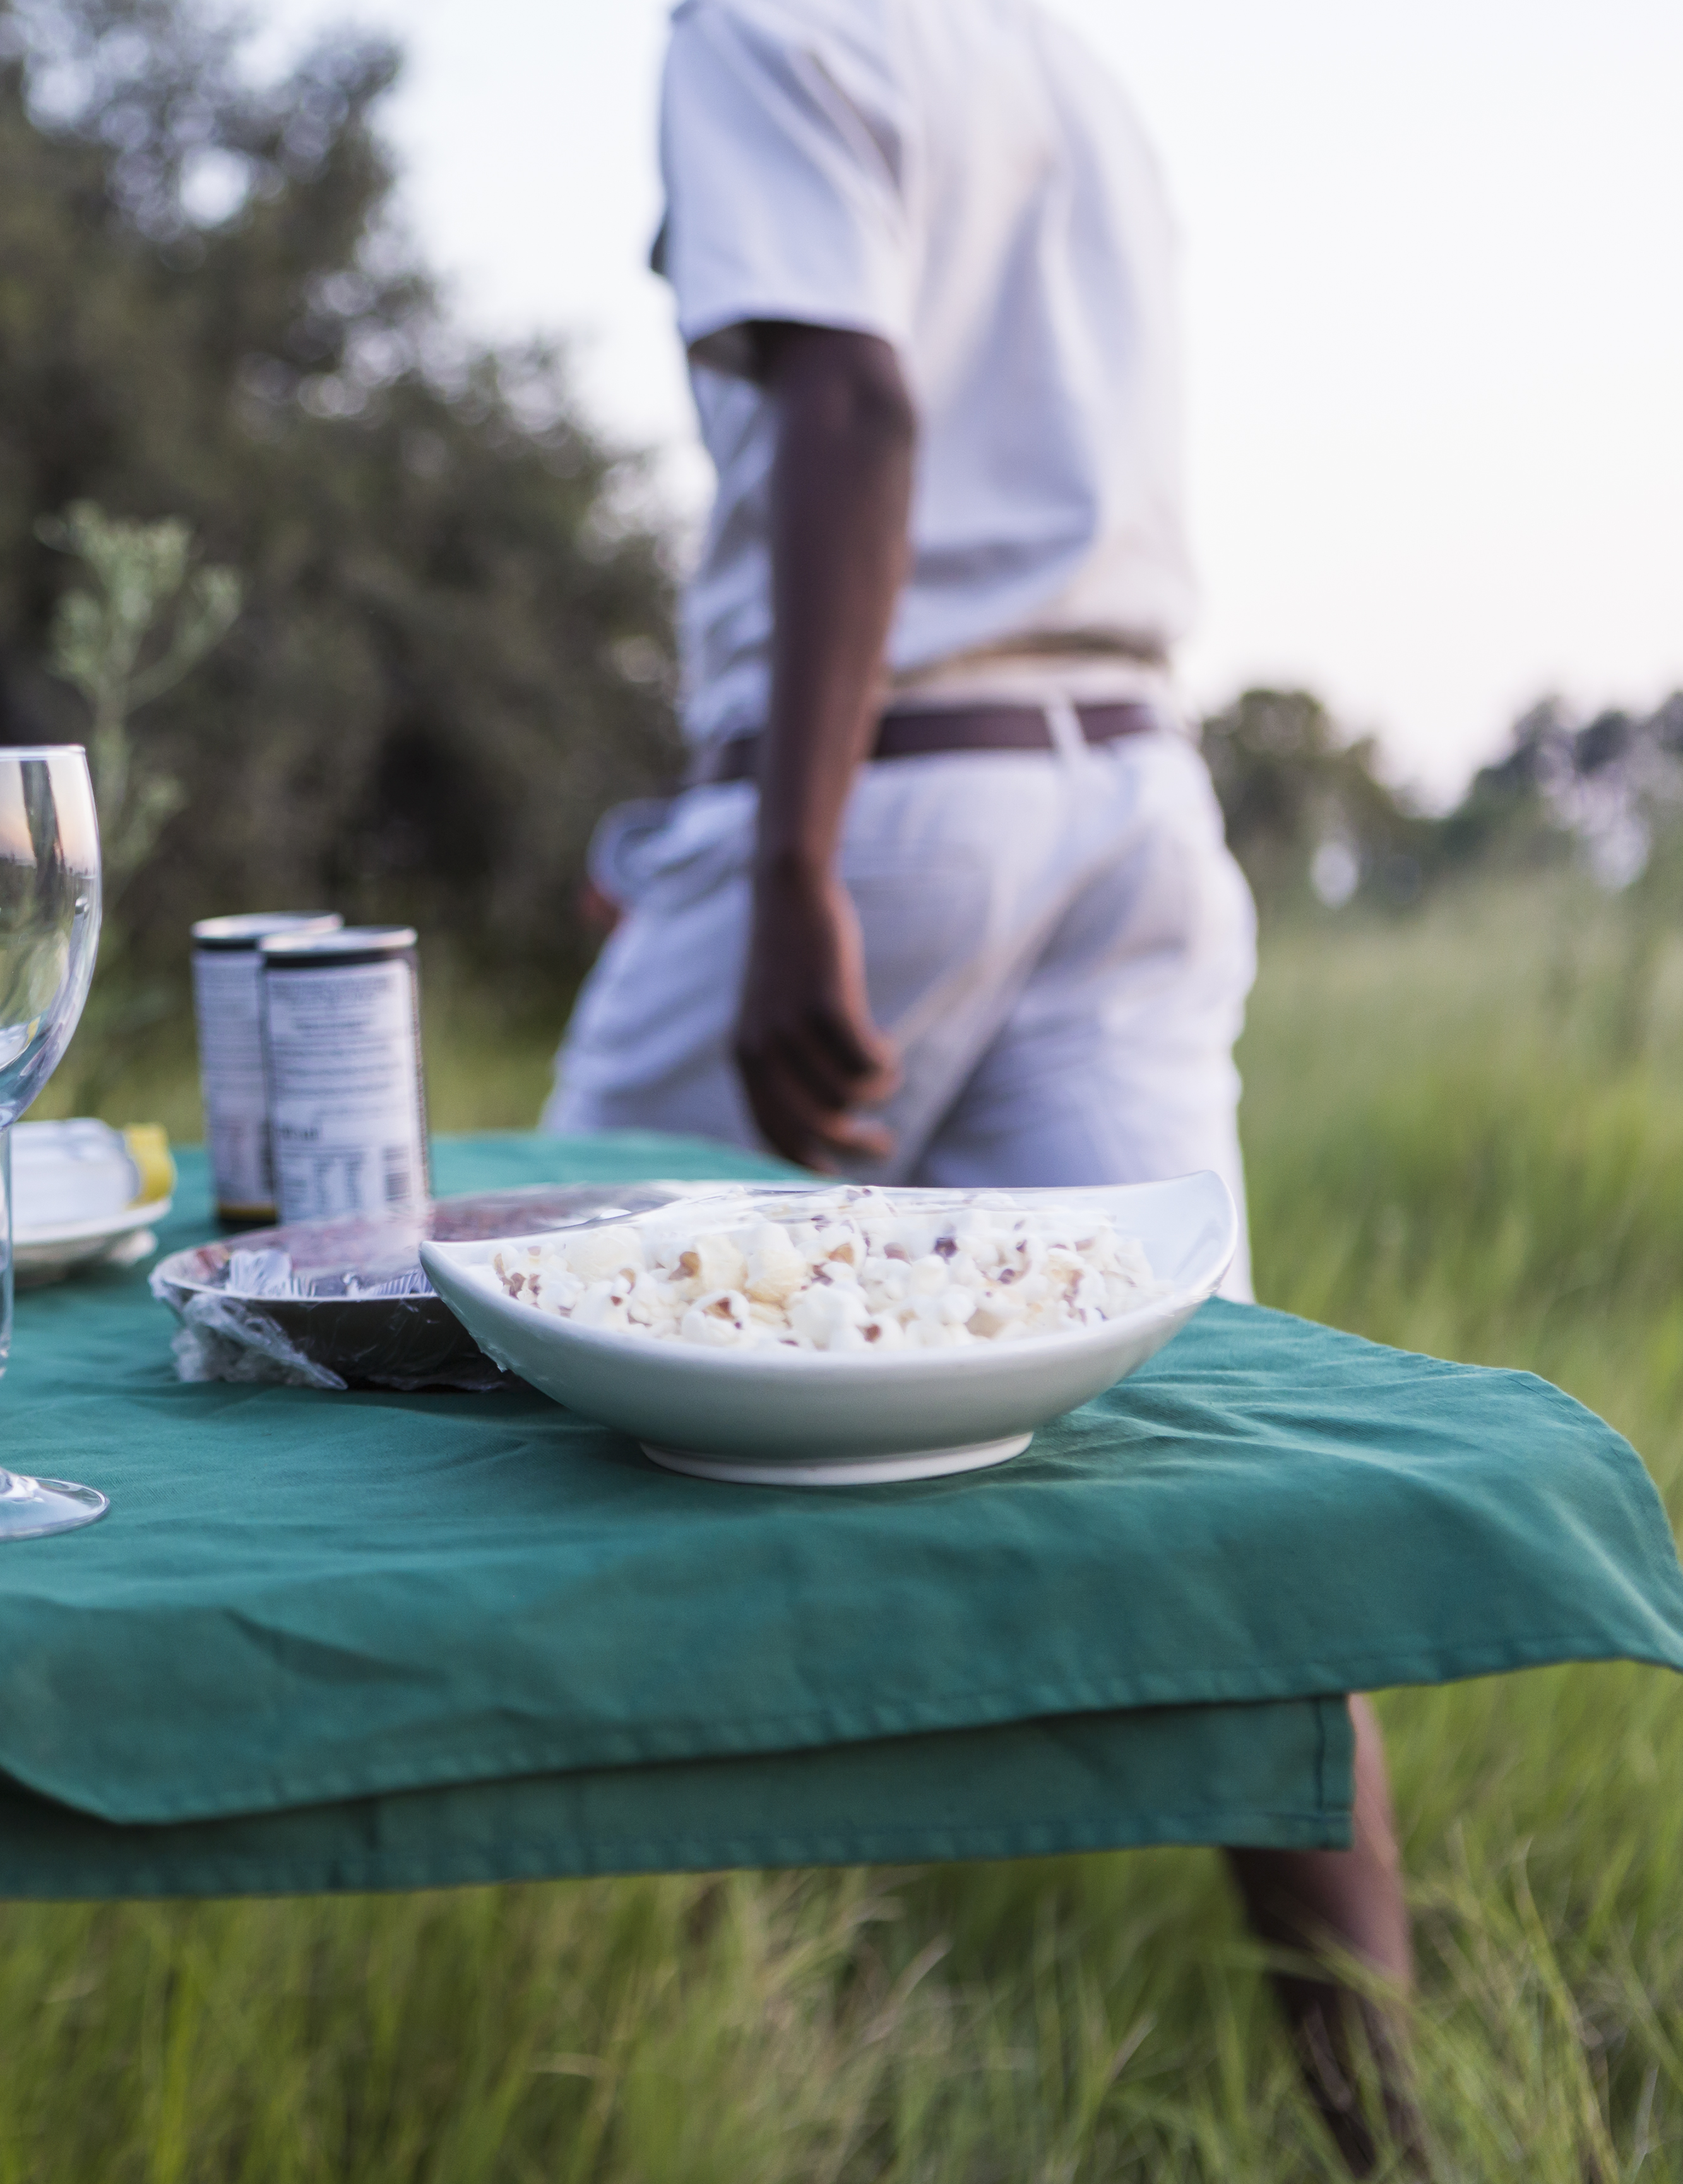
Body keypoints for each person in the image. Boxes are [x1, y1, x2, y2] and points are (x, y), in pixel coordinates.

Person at [545, 0, 1418, 2166]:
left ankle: (670, 2067)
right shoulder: (1048, 56)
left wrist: (789, 866)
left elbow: (855, 397)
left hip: (894, 808)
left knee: (531, 1370)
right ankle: (1400, 2133)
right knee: (1214, 1488)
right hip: (1131, 804)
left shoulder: (760, 19)